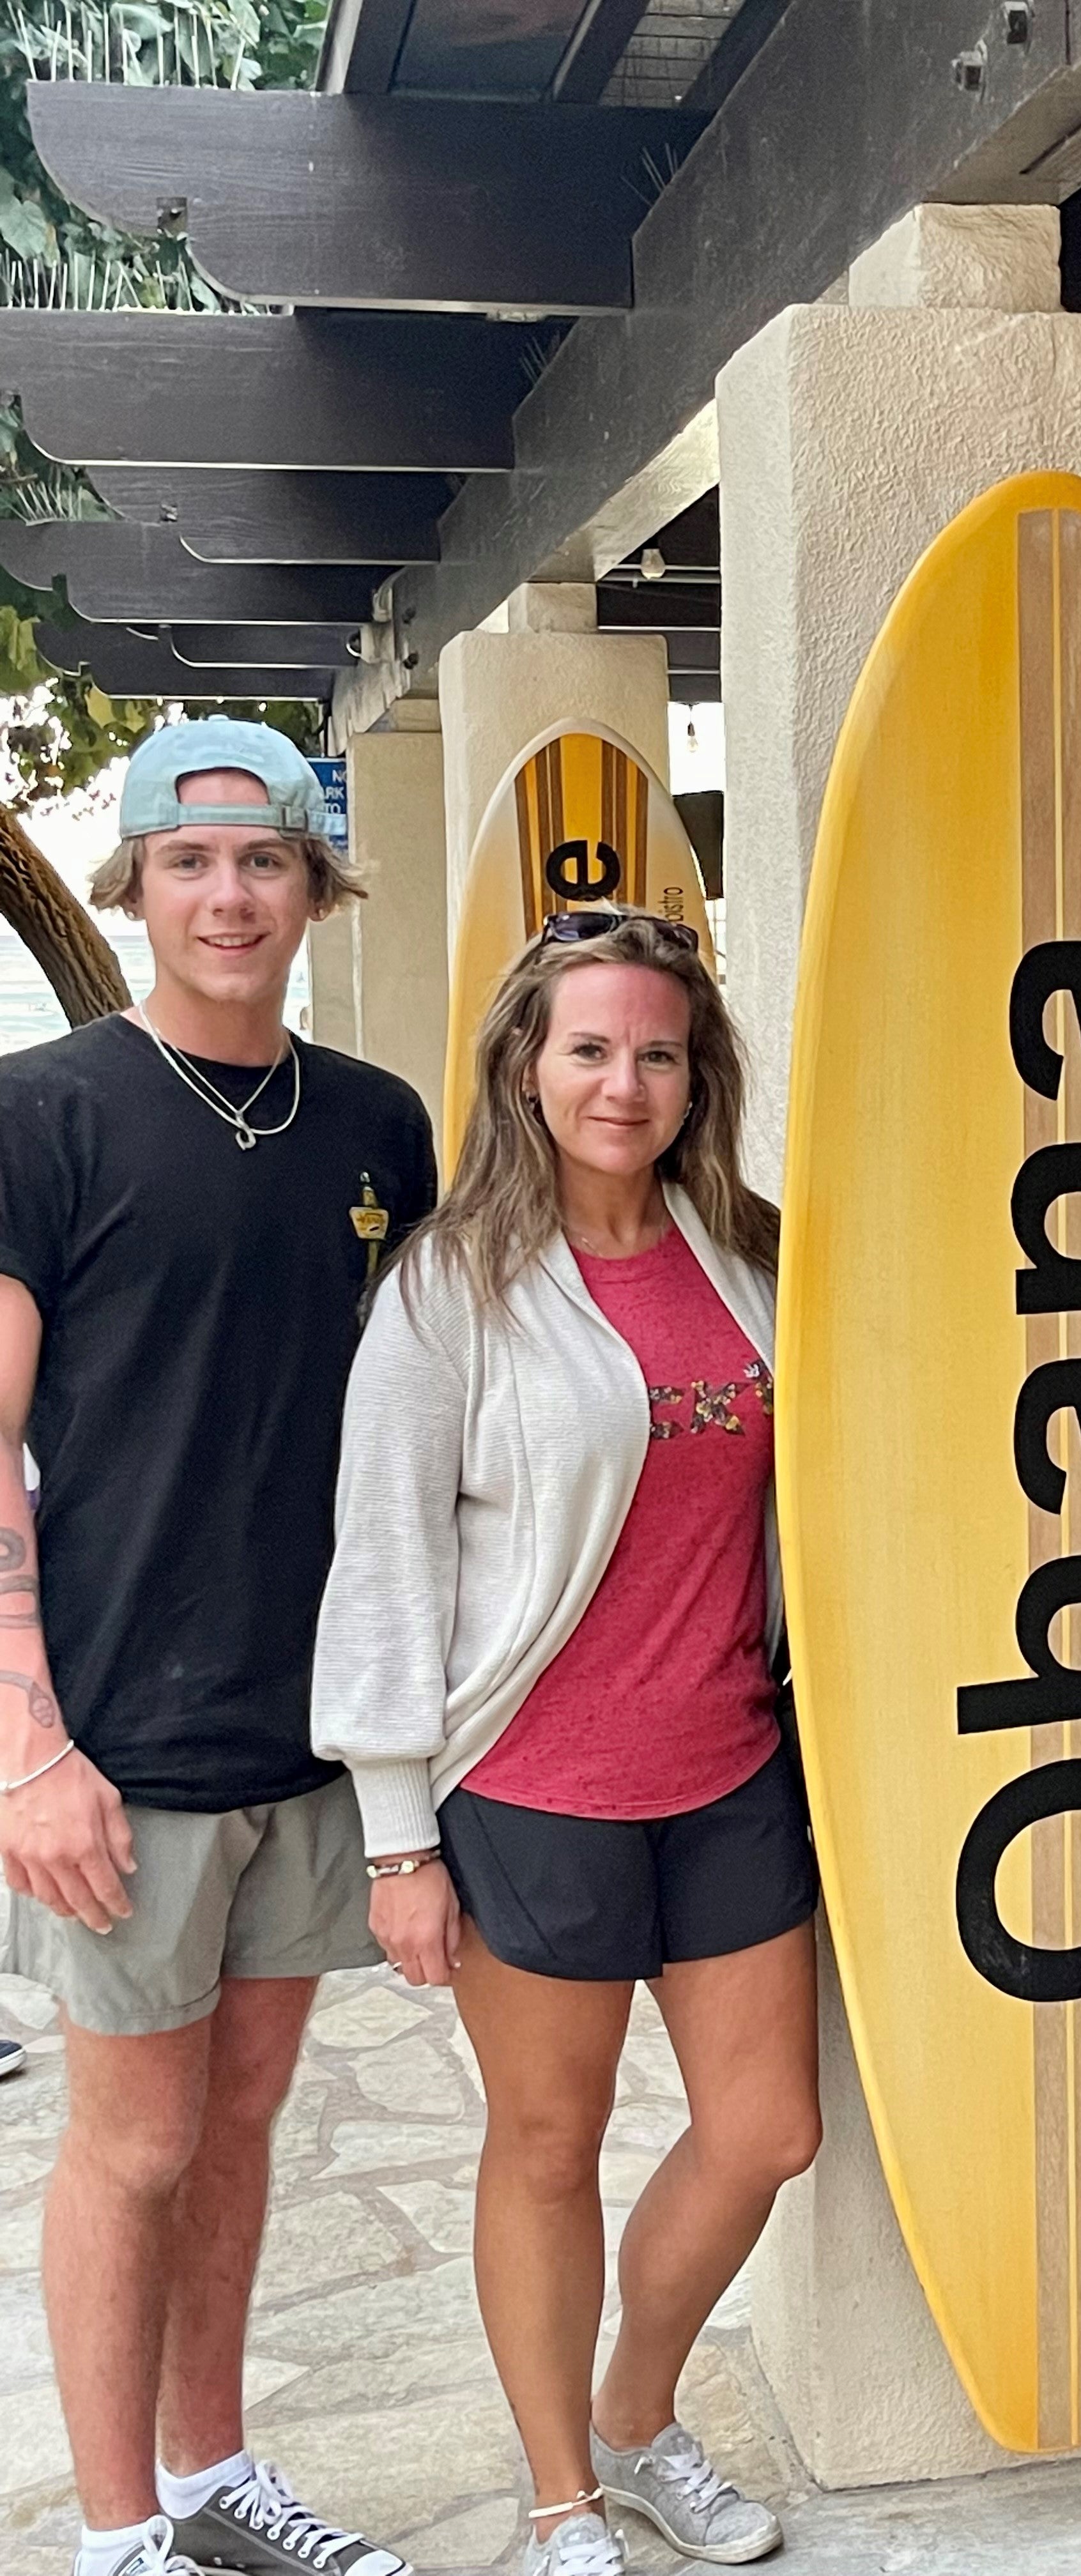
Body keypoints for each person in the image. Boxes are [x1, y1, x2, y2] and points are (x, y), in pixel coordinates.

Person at [310, 909, 818, 2576]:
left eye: (657, 1050)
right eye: (588, 1047)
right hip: (533, 1790)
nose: (624, 1080)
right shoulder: (452, 1288)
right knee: (547, 2152)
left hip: (731, 1767)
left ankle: (636, 2414)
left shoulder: (746, 1248)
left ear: (698, 1073)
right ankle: (557, 2499)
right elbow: (382, 1559)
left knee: (766, 2131)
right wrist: (398, 1835)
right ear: (526, 1067)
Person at [0, 718, 436, 2576]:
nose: (229, 896)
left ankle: (207, 2477)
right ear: (138, 887)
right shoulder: (45, 1112)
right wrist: (28, 1739)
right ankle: (115, 2537)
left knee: (244, 2122)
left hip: (314, 1732)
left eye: (264, 862)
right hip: (116, 1738)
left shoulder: (376, 1126)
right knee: (134, 2146)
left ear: (317, 885)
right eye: (190, 863)